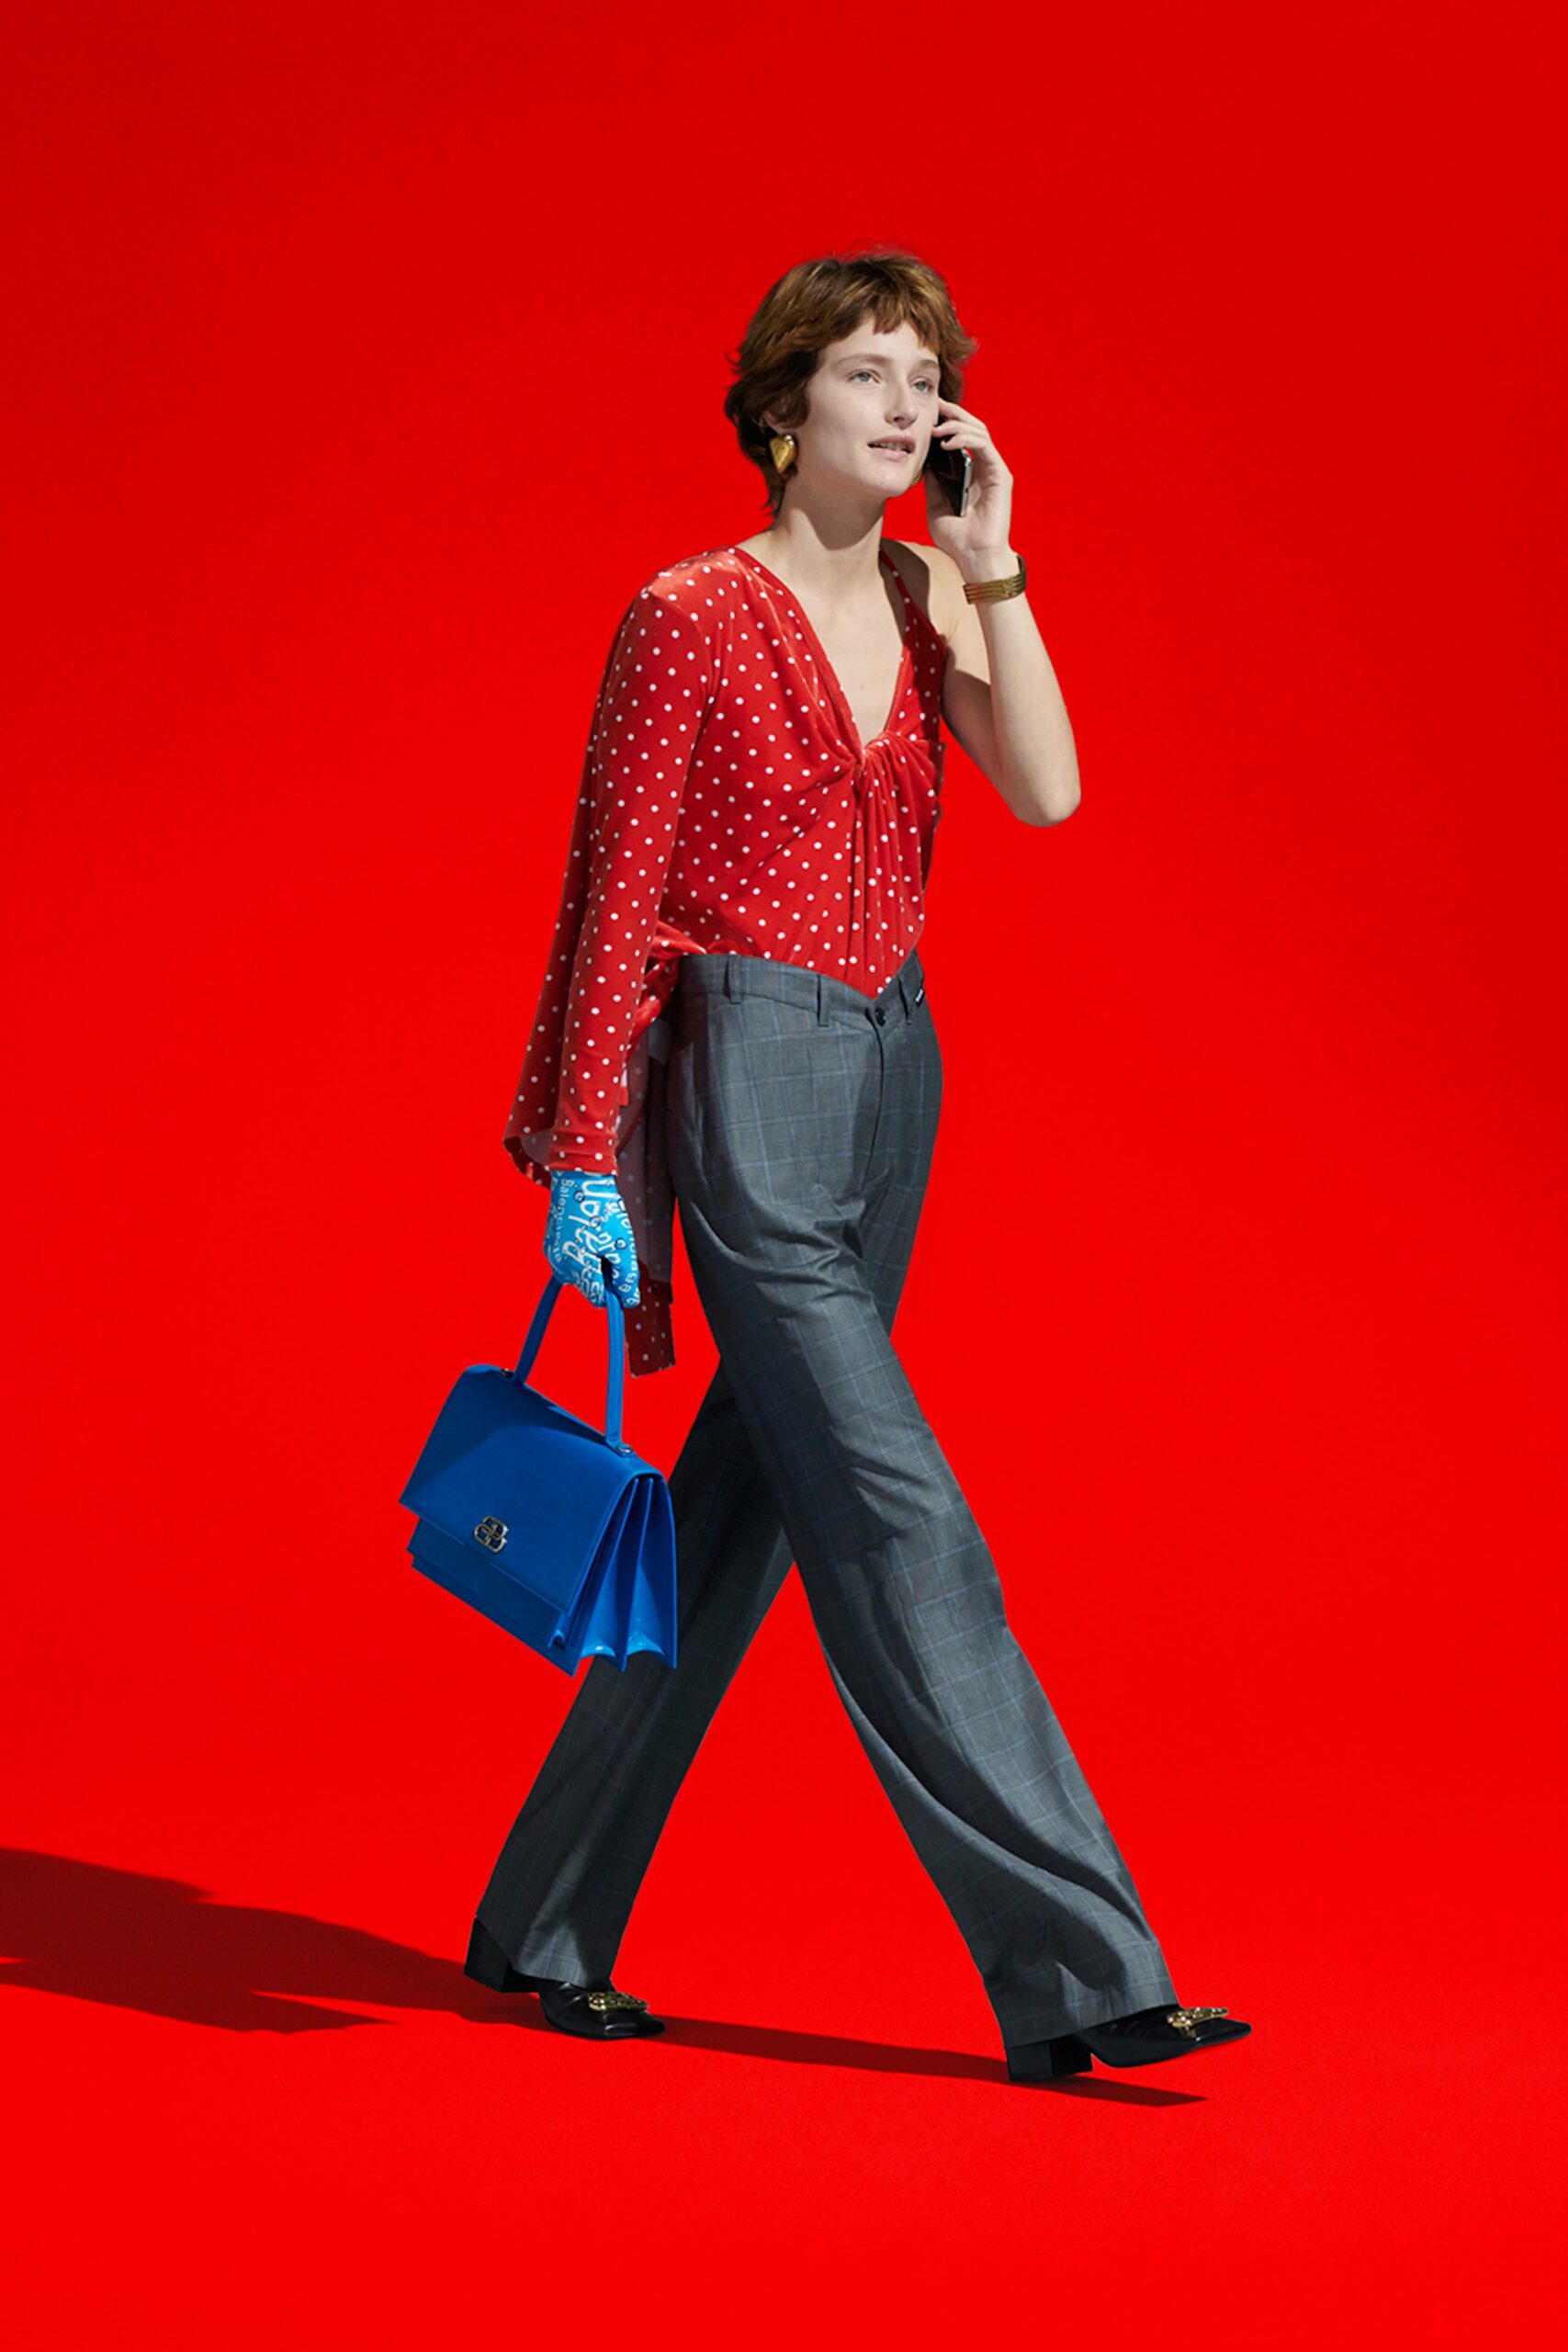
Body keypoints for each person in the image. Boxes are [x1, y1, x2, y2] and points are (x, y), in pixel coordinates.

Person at [463, 249, 1251, 2084]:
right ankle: (1081, 1968)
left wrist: (991, 562)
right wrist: (591, 1154)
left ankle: (538, 1916)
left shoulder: (925, 584)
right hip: (742, 1059)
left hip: (894, 1066)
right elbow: (614, 896)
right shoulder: (683, 609)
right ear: (776, 405)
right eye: (868, 374)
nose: (905, 408)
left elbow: (1045, 792)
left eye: (927, 379)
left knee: (741, 1513)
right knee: (899, 1516)